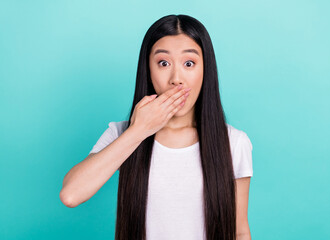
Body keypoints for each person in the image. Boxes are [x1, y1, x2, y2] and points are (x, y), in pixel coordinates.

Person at [60, 14, 253, 240]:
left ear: (205, 70)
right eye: (163, 63)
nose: (176, 79)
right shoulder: (123, 134)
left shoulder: (234, 143)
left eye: (189, 63)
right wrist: (139, 130)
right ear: (149, 71)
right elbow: (71, 195)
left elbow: (238, 230)